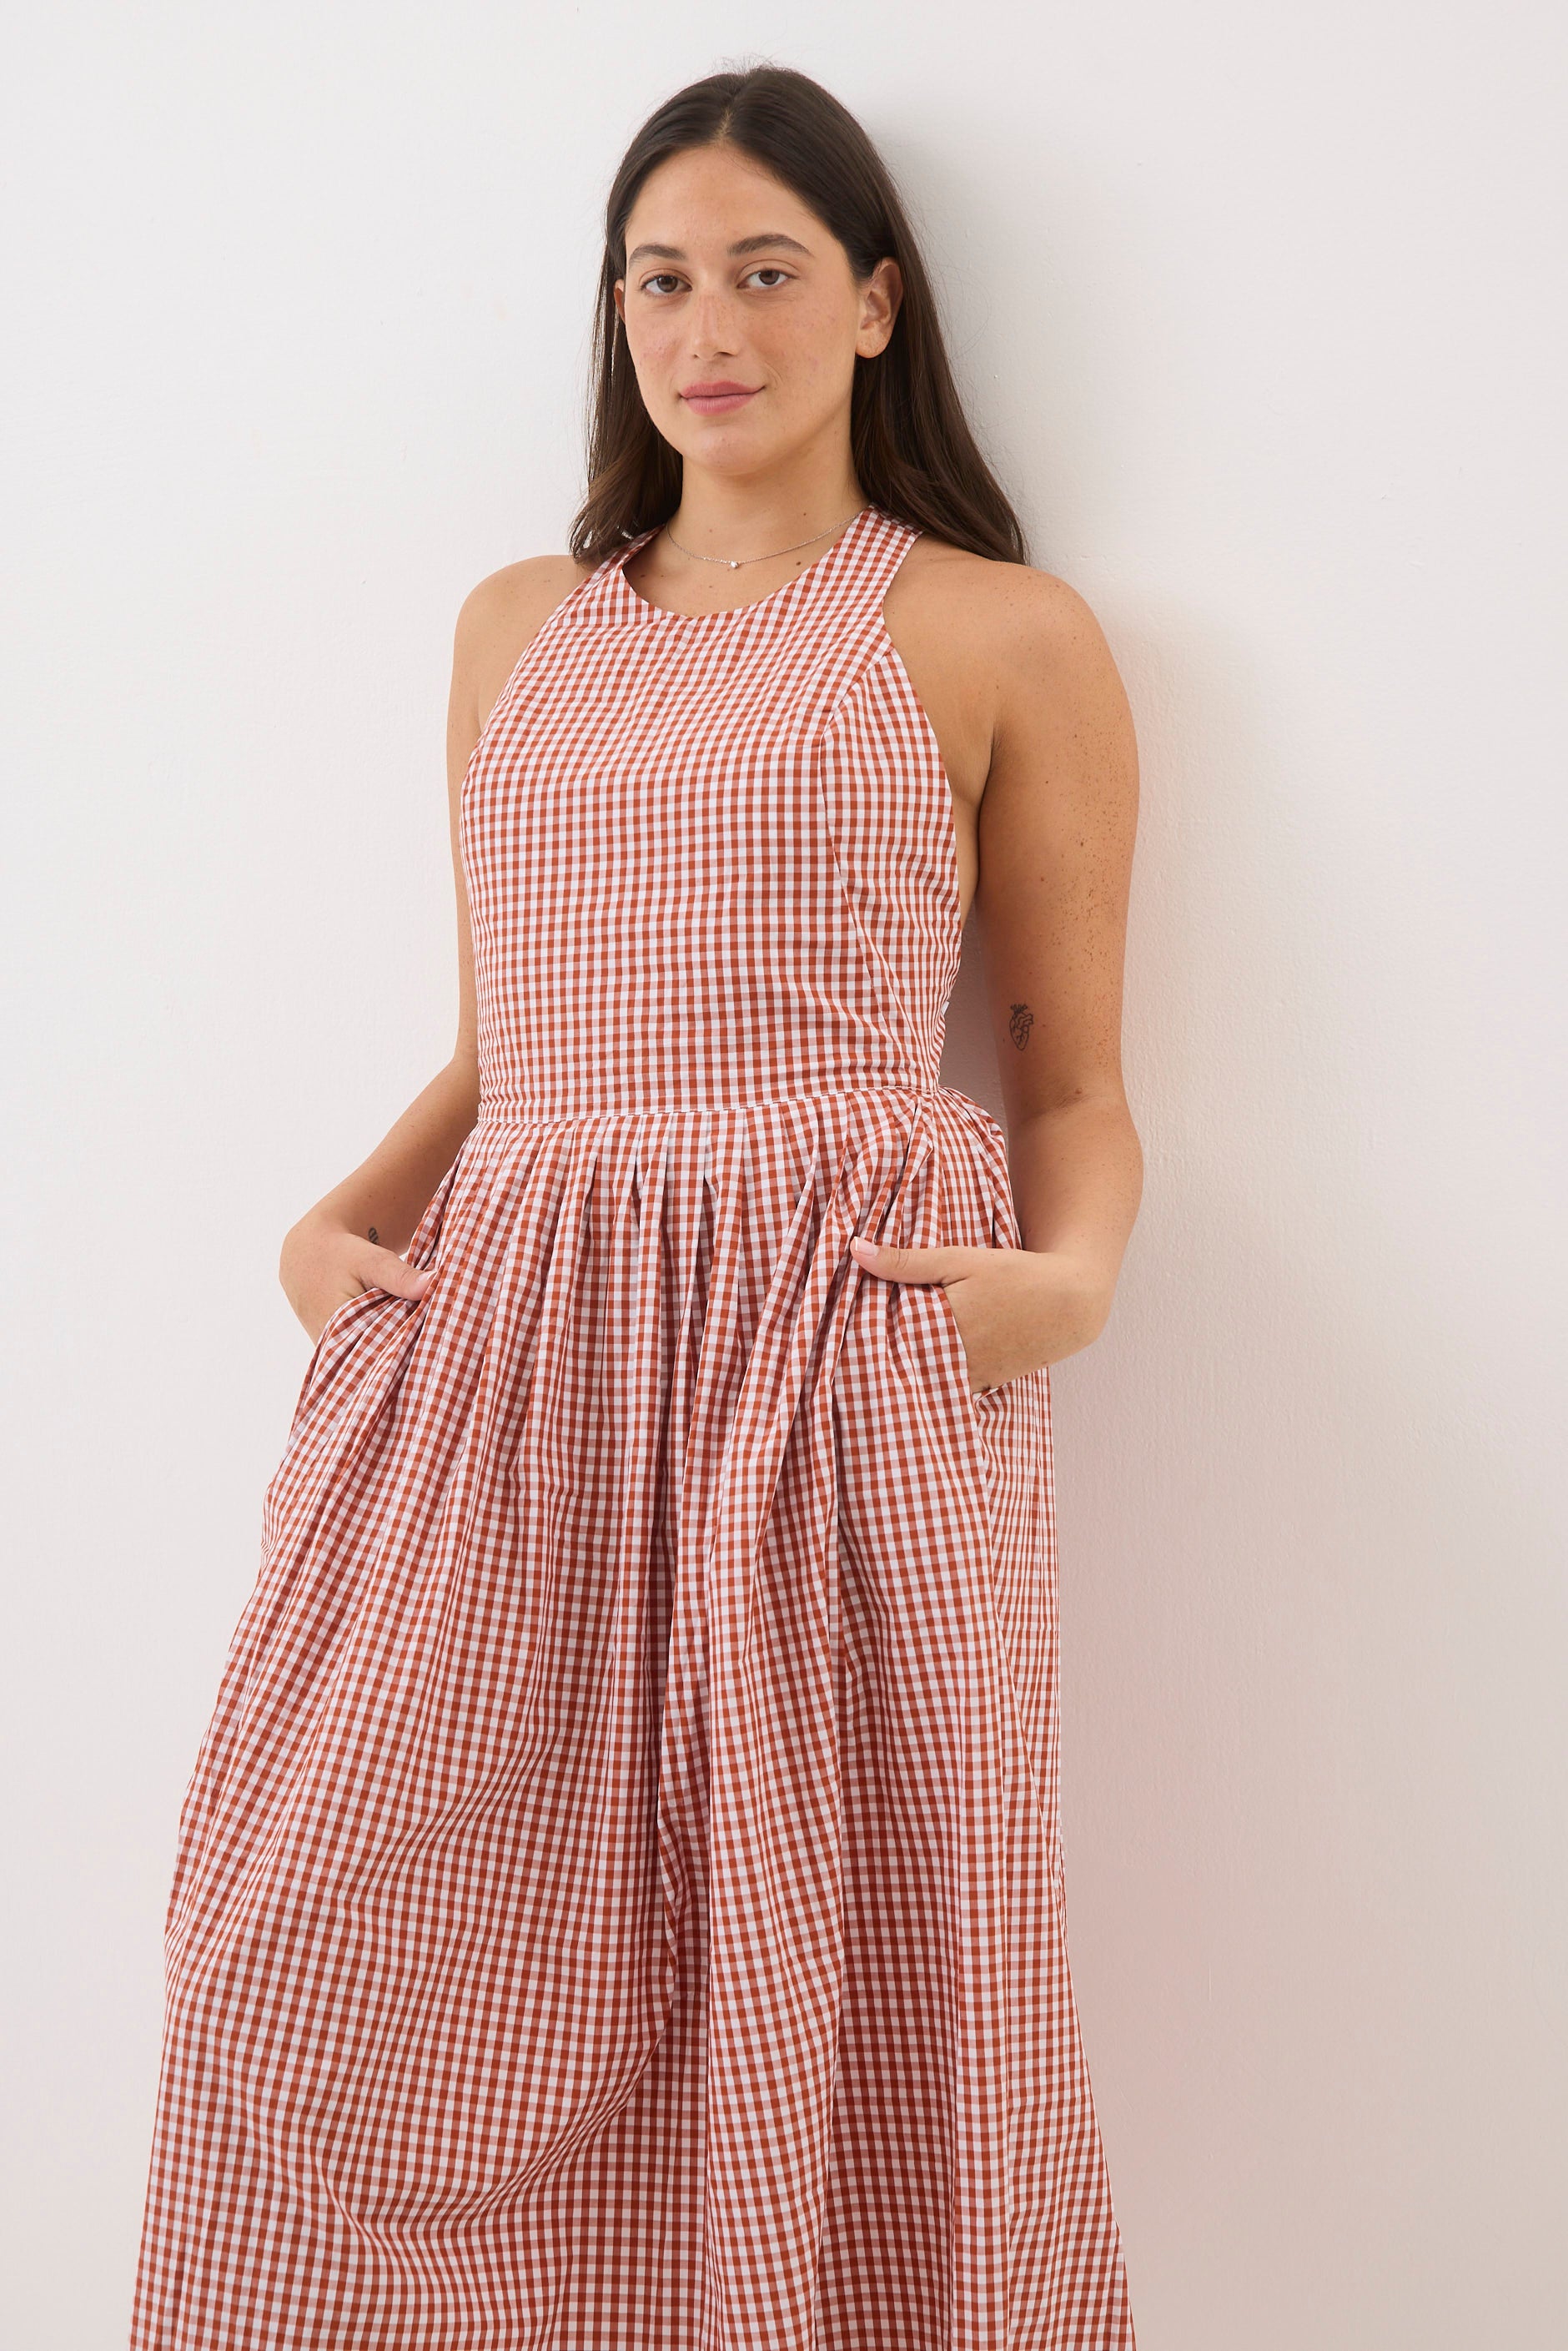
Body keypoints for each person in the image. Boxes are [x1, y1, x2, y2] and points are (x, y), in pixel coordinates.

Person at [129, 62, 1142, 2351]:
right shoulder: (519, 626)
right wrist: (330, 1225)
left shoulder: (998, 633)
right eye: (661, 279)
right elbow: (508, 1046)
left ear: (875, 303)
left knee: (829, 1967)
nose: (711, 327)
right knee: (290, 1942)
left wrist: (1064, 1288)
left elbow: (1076, 1082)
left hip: (834, 1358)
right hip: (513, 1351)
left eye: (768, 272)